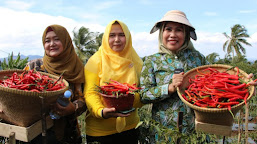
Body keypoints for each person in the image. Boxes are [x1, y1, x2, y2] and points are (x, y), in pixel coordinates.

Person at [139, 10, 257, 143]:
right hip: (163, 134)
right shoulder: (152, 61)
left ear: (186, 34)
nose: (173, 34)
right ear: (162, 33)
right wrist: (169, 88)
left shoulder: (197, 58)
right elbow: (143, 95)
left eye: (179, 30)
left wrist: (243, 85)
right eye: (168, 29)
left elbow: (217, 84)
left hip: (196, 133)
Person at [23, 24, 87, 144]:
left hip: (67, 133)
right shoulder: (34, 66)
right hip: (36, 134)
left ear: (66, 41)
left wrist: (73, 108)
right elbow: (19, 93)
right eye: (47, 41)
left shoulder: (76, 68)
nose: (52, 44)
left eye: (57, 39)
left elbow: (83, 98)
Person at [83, 20, 143, 144]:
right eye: (112, 35)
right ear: (105, 38)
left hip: (130, 128)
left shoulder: (137, 62)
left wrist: (129, 101)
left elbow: (144, 92)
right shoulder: (95, 61)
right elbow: (90, 93)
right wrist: (101, 111)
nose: (117, 39)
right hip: (100, 131)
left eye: (122, 35)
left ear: (128, 37)